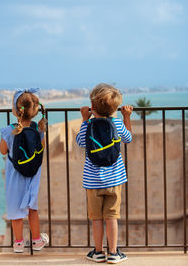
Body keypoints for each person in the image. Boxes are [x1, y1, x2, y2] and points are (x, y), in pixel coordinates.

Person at [76, 83, 133, 264]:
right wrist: (126, 117)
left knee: (96, 219)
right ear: (114, 108)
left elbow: (79, 141)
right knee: (112, 217)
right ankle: (114, 252)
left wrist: (85, 119)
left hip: (92, 182)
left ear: (93, 107)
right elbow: (128, 138)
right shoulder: (116, 123)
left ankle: (98, 251)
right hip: (115, 181)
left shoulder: (89, 125)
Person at [0, 88, 49, 253]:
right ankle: (36, 240)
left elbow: (2, 150)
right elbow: (41, 147)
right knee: (32, 208)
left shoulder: (9, 130)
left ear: (15, 111)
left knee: (15, 209)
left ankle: (19, 243)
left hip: (15, 175)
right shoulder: (38, 129)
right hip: (33, 174)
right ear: (35, 111)